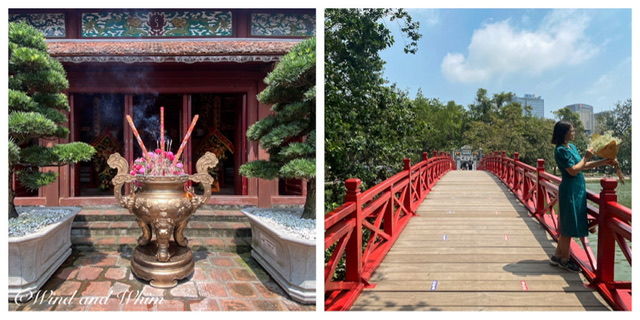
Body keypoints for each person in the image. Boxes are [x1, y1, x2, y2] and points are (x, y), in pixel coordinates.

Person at [550, 121, 616, 272]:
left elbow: (582, 166)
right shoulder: (561, 150)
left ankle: (558, 255)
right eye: (571, 130)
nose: (574, 132)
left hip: (577, 189)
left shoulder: (571, 147)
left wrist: (604, 162)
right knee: (569, 226)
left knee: (570, 222)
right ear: (563, 133)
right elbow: (573, 170)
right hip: (570, 190)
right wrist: (586, 157)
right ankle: (565, 260)